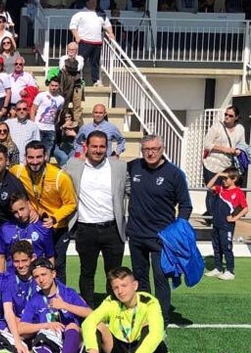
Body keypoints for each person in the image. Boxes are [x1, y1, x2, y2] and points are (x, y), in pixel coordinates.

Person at [126, 135, 192, 325]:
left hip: (161, 239)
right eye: (146, 149)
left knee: (161, 279)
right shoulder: (134, 167)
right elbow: (112, 168)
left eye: (155, 148)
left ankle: (161, 318)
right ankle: (144, 315)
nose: (150, 152)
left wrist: (177, 230)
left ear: (162, 149)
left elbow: (186, 205)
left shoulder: (174, 174)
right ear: (142, 150)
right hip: (136, 235)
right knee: (140, 278)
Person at [65, 131, 129, 306]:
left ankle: (115, 309)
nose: (98, 150)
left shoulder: (119, 167)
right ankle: (88, 311)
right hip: (86, 229)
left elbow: (133, 190)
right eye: (94, 146)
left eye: (102, 146)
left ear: (107, 148)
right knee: (87, 273)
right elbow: (56, 182)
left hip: (113, 229)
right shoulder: (73, 165)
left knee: (114, 273)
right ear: (86, 146)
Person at [79, 267, 168, 353]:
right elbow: (88, 322)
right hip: (119, 350)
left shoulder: (149, 302)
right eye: (116, 287)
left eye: (124, 285)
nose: (120, 291)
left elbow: (156, 334)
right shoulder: (111, 302)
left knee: (149, 329)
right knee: (98, 326)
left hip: (141, 352)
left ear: (135, 285)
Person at [11, 140, 77, 283]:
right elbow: (0, 170)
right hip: (36, 225)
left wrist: (54, 218)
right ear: (25, 157)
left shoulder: (60, 177)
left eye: (39, 157)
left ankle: (59, 300)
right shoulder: (18, 171)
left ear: (46, 156)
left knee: (57, 266)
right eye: (31, 157)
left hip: (57, 227)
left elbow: (71, 203)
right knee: (35, 263)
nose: (35, 161)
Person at [19, 258, 91, 353]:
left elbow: (90, 313)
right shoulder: (35, 299)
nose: (41, 280)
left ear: (53, 274)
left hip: (72, 338)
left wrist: (65, 305)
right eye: (36, 277)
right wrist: (47, 325)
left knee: (72, 325)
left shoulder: (68, 293)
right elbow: (21, 329)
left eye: (44, 274)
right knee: (43, 334)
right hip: (51, 339)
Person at [202, 106, 245, 223]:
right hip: (212, 164)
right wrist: (226, 149)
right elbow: (207, 144)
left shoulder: (240, 129)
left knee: (224, 192)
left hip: (228, 165)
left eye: (230, 115)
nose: (227, 117)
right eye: (226, 114)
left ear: (236, 117)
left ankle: (210, 214)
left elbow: (241, 144)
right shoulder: (217, 127)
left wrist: (239, 151)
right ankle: (211, 219)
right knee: (212, 191)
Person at [204, 168, 248, 281]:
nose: (223, 180)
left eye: (226, 178)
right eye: (222, 178)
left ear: (234, 179)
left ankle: (230, 271)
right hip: (216, 223)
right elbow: (209, 186)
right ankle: (218, 268)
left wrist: (234, 218)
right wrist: (218, 174)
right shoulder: (221, 189)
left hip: (226, 226)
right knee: (216, 247)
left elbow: (245, 208)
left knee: (226, 247)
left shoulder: (238, 192)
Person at [0, 192, 54, 272]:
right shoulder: (5, 229)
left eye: (22, 209)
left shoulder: (43, 228)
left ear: (29, 204)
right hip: (13, 276)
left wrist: (49, 277)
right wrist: (1, 280)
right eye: (15, 212)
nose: (20, 214)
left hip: (36, 277)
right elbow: (0, 256)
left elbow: (50, 256)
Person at [69, 0, 114, 87]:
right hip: (84, 41)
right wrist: (77, 36)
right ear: (87, 2)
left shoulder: (100, 14)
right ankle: (77, 79)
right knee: (80, 61)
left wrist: (111, 33)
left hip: (97, 42)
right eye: (92, 1)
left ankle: (96, 80)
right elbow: (73, 26)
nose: (94, 3)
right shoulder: (80, 14)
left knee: (95, 63)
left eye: (95, 1)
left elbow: (107, 25)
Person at [30, 77, 65, 162]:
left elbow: (58, 114)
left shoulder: (61, 99)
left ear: (59, 86)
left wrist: (54, 125)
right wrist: (33, 124)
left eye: (56, 86)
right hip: (39, 127)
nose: (54, 87)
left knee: (47, 154)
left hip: (50, 130)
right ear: (49, 85)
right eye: (52, 85)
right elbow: (33, 109)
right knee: (36, 152)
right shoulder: (41, 95)